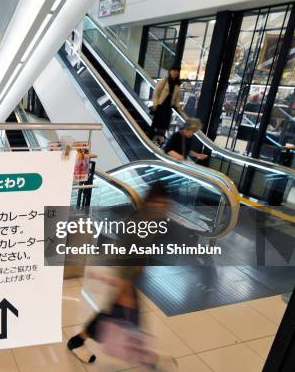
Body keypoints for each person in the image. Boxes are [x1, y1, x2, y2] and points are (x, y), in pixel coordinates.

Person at [67, 183, 176, 369]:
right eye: (162, 203)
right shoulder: (145, 220)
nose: (166, 207)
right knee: (119, 315)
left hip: (126, 275)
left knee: (117, 314)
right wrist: (124, 287)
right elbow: (128, 253)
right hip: (124, 276)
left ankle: (80, 341)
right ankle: (139, 355)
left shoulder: (150, 217)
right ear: (155, 201)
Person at [151, 66, 182, 145]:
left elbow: (177, 97)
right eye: (174, 70)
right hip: (161, 105)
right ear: (170, 71)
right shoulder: (164, 80)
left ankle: (159, 142)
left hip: (169, 106)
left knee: (164, 125)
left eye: (177, 71)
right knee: (157, 124)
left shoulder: (177, 83)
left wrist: (178, 106)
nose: (175, 72)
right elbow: (156, 92)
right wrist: (155, 104)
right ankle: (152, 140)